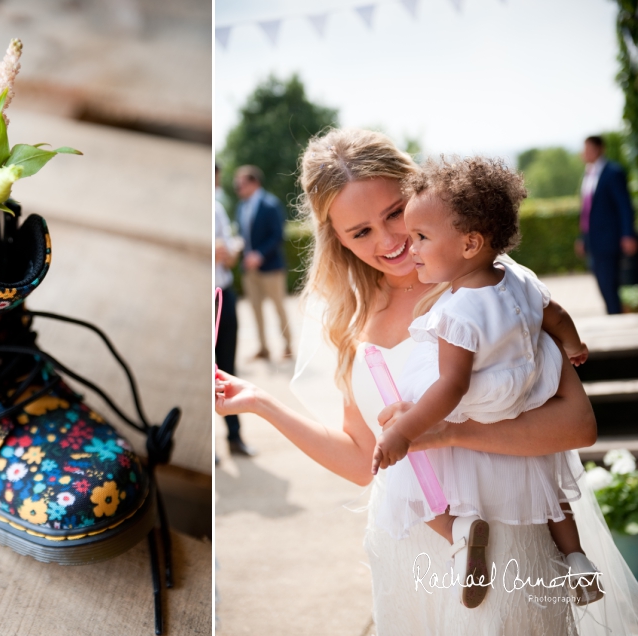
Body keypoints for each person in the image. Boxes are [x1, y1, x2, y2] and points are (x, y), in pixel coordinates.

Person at [216, 128, 638, 634]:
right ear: (337, 239)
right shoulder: (349, 319)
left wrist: (451, 432)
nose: (390, 241)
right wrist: (262, 402)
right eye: (361, 232)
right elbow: (361, 460)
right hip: (408, 549)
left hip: (508, 540)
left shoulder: (484, 282)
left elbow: (578, 426)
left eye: (395, 213)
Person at [371, 156, 598, 609]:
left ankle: (460, 533)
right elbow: (555, 315)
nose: (410, 247)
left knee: (407, 483)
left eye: (421, 237)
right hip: (531, 393)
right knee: (549, 489)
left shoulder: (457, 314)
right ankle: (576, 559)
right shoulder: (518, 276)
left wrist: (405, 429)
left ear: (470, 243)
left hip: (483, 403)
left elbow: (452, 387)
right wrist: (572, 343)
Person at [215, 164, 256, 457]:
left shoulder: (217, 208)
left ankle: (233, 437)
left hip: (222, 294)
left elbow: (227, 257)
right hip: (215, 294)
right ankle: (224, 441)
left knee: (227, 369)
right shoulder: (214, 208)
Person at [233, 165, 292, 360]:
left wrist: (260, 254)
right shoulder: (241, 207)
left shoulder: (270, 204)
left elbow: (278, 235)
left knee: (278, 308)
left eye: (241, 183)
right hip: (249, 270)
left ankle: (288, 345)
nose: (238, 188)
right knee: (255, 310)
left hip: (271, 267)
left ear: (254, 183)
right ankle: (263, 347)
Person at [575, 135, 638, 314]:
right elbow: (587, 211)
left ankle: (616, 316)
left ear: (599, 149)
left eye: (588, 149)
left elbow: (625, 206)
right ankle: (614, 313)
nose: (584, 153)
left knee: (609, 282)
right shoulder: (588, 174)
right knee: (603, 282)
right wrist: (583, 237)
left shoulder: (613, 172)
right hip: (593, 239)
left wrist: (628, 234)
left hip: (610, 238)